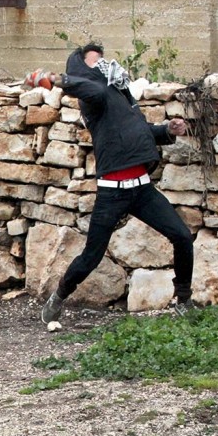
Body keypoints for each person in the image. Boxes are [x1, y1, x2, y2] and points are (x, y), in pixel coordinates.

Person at [23, 43, 194, 321]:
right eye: (96, 63)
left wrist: (167, 130)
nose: (106, 65)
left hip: (141, 189)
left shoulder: (120, 93)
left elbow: (140, 132)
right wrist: (55, 79)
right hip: (112, 194)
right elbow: (94, 88)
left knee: (182, 237)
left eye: (104, 60)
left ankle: (183, 301)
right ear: (82, 71)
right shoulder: (94, 98)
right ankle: (58, 297)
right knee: (91, 257)